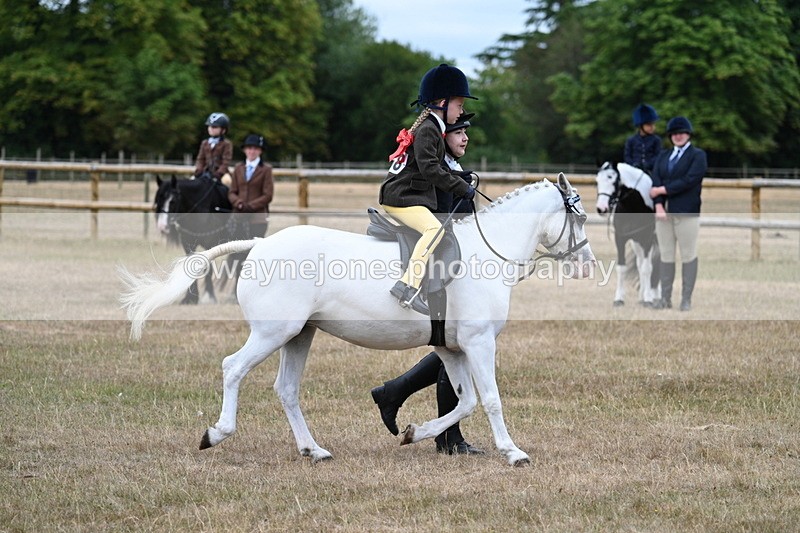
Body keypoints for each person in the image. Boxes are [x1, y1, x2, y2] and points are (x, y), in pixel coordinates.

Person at [371, 112, 484, 456]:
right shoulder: (436, 163)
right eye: (460, 130)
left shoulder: (446, 161)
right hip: (440, 264)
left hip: (449, 258)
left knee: (455, 345)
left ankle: (396, 393)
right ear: (444, 133)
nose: (465, 137)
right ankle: (446, 435)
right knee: (456, 344)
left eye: (467, 131)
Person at [379, 64, 477, 315]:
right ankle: (407, 286)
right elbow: (430, 169)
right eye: (459, 105)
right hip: (402, 197)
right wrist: (460, 186)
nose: (461, 111)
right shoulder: (428, 130)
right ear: (443, 103)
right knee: (434, 229)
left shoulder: (434, 128)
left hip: (411, 196)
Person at [649, 116, 707, 311]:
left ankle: (686, 299)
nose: (678, 136)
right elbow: (654, 181)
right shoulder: (663, 157)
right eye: (674, 133)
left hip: (686, 212)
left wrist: (662, 191)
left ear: (688, 134)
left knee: (688, 254)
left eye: (681, 133)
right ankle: (665, 298)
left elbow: (689, 180)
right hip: (663, 214)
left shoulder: (697, 155)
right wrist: (658, 205)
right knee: (666, 255)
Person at [228, 133, 274, 240]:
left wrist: (250, 206)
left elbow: (268, 195)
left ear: (260, 151)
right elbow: (232, 192)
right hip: (239, 216)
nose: (252, 151)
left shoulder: (266, 169)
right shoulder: (238, 168)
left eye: (255, 149)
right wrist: (238, 203)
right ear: (245, 150)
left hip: (258, 217)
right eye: (249, 148)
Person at [194, 112, 233, 183]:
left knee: (227, 181)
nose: (211, 129)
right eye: (209, 126)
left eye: (214, 127)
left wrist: (219, 173)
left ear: (223, 130)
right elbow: (200, 159)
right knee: (192, 181)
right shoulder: (205, 143)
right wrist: (199, 170)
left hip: (221, 173)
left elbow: (226, 162)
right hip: (205, 171)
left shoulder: (226, 144)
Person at [624, 104, 662, 173]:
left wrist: (647, 165)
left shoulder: (656, 140)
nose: (653, 127)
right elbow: (627, 157)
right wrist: (634, 164)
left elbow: (658, 156)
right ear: (641, 126)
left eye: (653, 124)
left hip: (651, 171)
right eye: (649, 125)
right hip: (634, 171)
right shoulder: (631, 140)